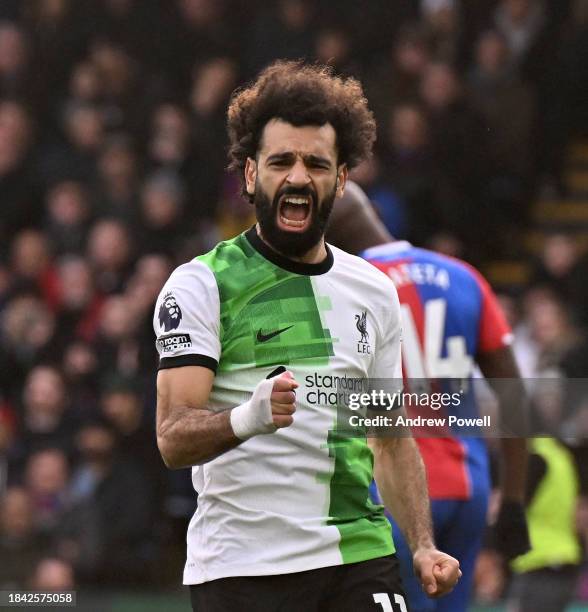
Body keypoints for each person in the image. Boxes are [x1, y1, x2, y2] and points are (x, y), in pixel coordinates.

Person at [154, 61, 461, 612]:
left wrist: (421, 544)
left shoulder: (374, 291)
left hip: (358, 557)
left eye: (316, 163)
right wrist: (248, 417)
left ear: (341, 181)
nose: (298, 176)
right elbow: (173, 437)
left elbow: (389, 439)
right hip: (243, 566)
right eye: (280, 162)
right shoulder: (201, 285)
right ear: (251, 176)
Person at [326, 181, 530, 612]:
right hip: (468, 488)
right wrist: (512, 499)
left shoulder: (342, 288)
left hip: (394, 493)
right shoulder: (462, 277)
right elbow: (514, 399)